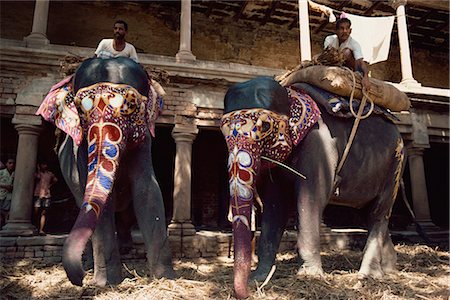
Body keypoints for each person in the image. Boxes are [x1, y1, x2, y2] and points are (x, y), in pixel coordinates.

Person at [324, 16, 371, 91]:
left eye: (347, 28)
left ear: (350, 30)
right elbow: (326, 56)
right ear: (336, 31)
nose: (345, 31)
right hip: (334, 65)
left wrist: (366, 77)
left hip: (350, 69)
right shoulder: (329, 40)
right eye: (341, 28)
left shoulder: (354, 44)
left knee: (346, 52)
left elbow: (360, 62)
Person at [33, 162, 58, 235]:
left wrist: (50, 185)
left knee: (43, 212)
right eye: (43, 164)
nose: (44, 166)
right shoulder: (38, 174)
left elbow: (55, 180)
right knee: (36, 212)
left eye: (45, 164)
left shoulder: (49, 174)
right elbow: (37, 178)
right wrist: (38, 170)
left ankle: (41, 229)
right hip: (38, 194)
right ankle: (36, 227)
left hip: (46, 195)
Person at [0, 158, 15, 228]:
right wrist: (5, 186)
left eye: (13, 163)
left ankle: (5, 225)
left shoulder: (15, 173)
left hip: (9, 195)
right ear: (6, 164)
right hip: (1, 194)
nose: (12, 165)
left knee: (6, 211)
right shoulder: (2, 172)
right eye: (10, 163)